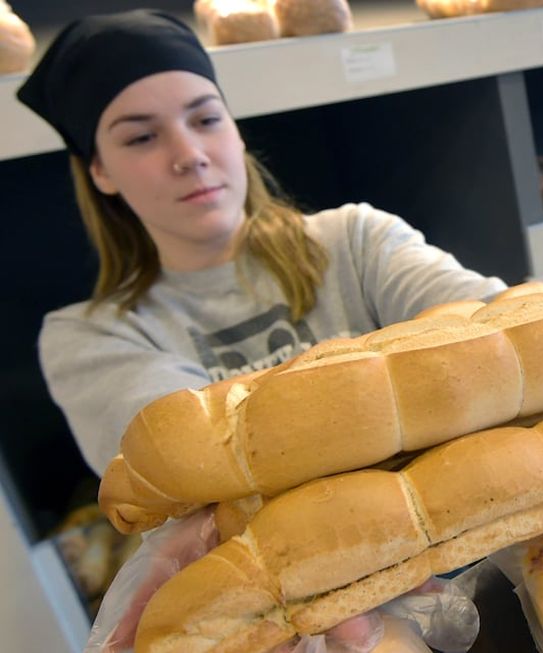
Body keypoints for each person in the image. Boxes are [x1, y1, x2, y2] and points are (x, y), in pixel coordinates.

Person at [19, 11, 498, 651]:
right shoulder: (90, 337)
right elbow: (187, 476)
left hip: (487, 579)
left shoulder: (356, 240)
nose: (189, 155)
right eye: (140, 138)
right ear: (99, 171)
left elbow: (498, 346)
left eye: (206, 118)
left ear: (235, 129)